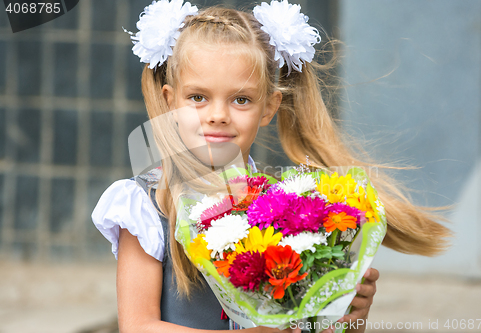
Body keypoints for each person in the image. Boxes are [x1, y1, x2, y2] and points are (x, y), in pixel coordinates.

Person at [92, 0, 451, 332]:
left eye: (241, 99)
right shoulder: (146, 204)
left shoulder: (290, 208)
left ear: (269, 107)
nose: (217, 115)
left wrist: (346, 315)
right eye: (198, 97)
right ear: (171, 101)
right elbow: (138, 326)